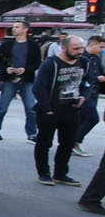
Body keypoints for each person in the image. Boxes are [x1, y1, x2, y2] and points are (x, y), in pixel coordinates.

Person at [32, 35, 87, 187]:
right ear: (64, 48)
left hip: (72, 110)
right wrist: (47, 110)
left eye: (81, 48)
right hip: (51, 110)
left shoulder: (84, 63)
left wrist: (84, 96)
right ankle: (43, 173)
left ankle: (61, 174)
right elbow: (38, 88)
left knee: (68, 143)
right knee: (44, 142)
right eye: (76, 48)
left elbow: (88, 82)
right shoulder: (51, 64)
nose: (79, 51)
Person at [0, 20, 41, 142]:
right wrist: (6, 68)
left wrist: (25, 69)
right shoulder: (7, 44)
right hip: (9, 79)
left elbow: (37, 63)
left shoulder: (33, 45)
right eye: (13, 27)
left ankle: (31, 133)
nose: (14, 29)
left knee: (31, 108)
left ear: (25, 29)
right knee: (2, 106)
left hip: (26, 78)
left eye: (17, 27)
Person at [75, 36, 105, 155]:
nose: (102, 50)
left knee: (82, 119)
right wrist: (97, 78)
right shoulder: (82, 58)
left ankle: (72, 142)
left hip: (94, 93)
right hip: (84, 93)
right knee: (93, 118)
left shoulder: (96, 58)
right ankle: (76, 141)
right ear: (92, 45)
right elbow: (80, 76)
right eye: (101, 47)